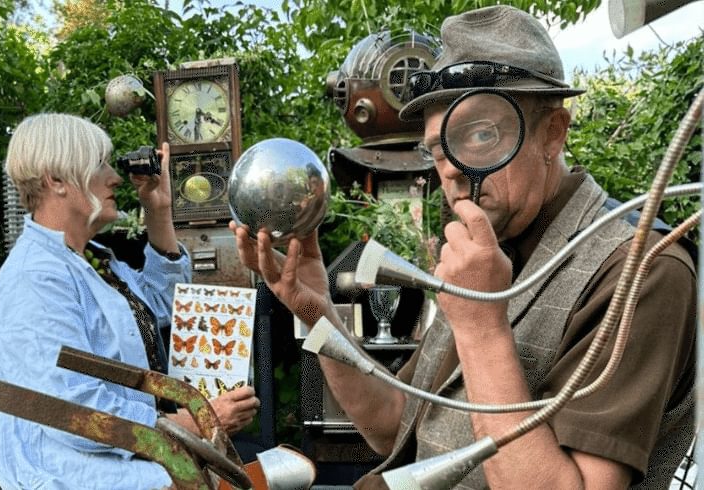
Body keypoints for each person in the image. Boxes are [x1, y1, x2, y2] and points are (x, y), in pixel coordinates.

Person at [231, 5, 695, 489]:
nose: (450, 167)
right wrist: (317, 312)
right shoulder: (489, 252)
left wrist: (481, 328)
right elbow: (393, 423)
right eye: (437, 148)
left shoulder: (640, 270)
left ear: (552, 134)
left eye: (479, 134)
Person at [0, 113, 260, 489]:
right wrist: (193, 422)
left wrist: (158, 210)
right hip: (70, 469)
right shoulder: (36, 278)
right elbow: (73, 415)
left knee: (275, 468)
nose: (115, 177)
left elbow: (160, 305)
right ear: (55, 180)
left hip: (121, 450)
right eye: (99, 164)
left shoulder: (87, 260)